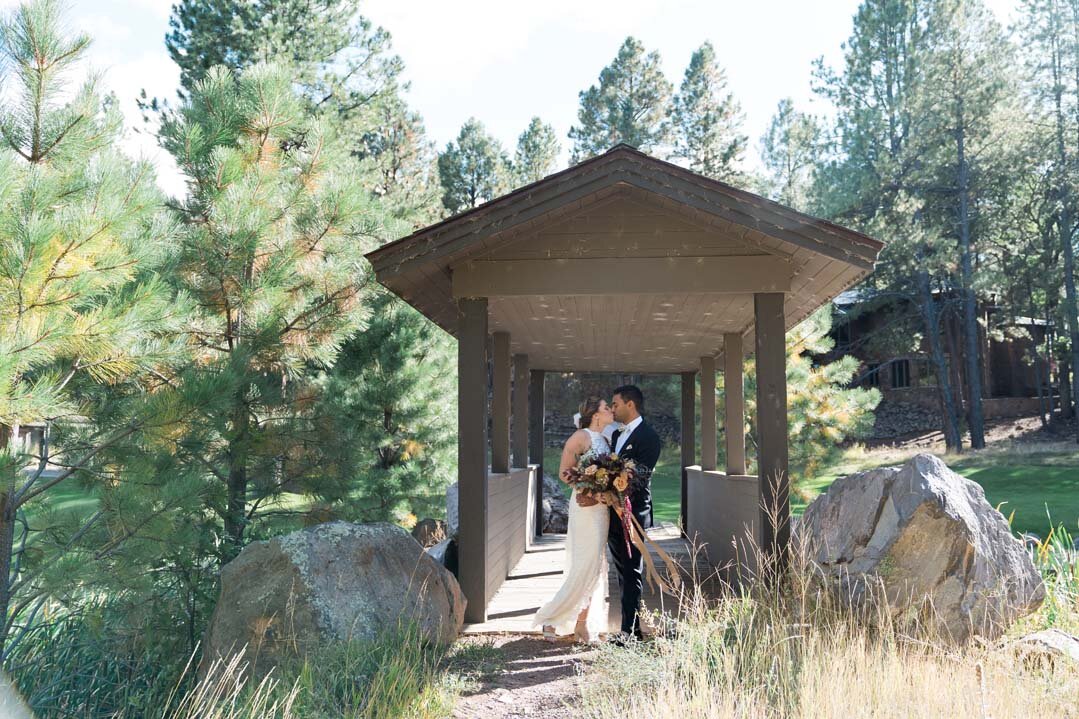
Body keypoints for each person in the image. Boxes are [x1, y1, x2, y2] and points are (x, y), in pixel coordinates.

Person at [533, 396, 614, 644]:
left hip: (602, 509)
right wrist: (589, 489)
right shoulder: (582, 437)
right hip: (586, 508)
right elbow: (564, 473)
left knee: (596, 567)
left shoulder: (606, 439)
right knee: (585, 565)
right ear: (596, 414)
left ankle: (582, 625)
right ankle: (550, 617)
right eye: (606, 408)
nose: (611, 410)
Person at [607, 385, 662, 642]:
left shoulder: (648, 437)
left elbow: (640, 476)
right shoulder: (617, 437)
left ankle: (628, 632)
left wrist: (613, 488)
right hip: (613, 513)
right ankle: (633, 628)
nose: (612, 408)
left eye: (615, 404)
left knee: (632, 571)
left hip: (633, 512)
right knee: (621, 571)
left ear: (631, 405)